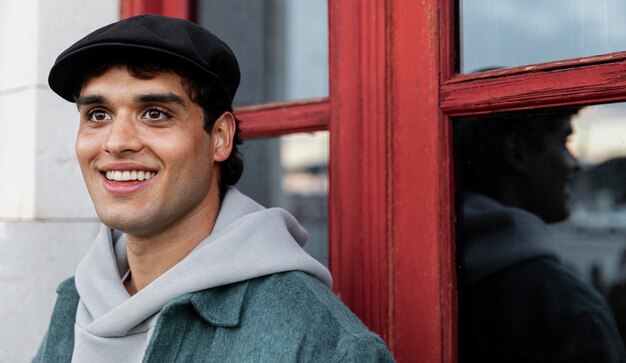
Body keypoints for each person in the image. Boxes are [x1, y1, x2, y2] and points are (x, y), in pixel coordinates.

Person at [34, 14, 394, 362]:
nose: (116, 142)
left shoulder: (321, 342)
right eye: (98, 114)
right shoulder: (75, 301)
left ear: (219, 138)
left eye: (155, 113)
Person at [455, 108, 626, 362]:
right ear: (517, 151)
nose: (575, 163)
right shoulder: (576, 312)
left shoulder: (439, 276)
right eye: (565, 141)